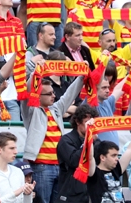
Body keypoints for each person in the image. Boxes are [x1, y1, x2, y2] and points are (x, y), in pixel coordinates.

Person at [21, 71, 86, 203]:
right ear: (38, 96)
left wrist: (82, 76)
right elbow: (27, 92)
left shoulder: (56, 109)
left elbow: (70, 94)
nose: (54, 96)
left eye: (53, 92)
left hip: (60, 166)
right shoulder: (31, 110)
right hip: (41, 167)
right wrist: (35, 74)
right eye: (49, 93)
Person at [90, 130, 131, 203]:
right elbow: (90, 158)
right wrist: (89, 136)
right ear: (102, 157)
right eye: (113, 155)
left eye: (117, 155)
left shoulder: (116, 169)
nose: (117, 159)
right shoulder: (94, 173)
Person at [56, 104, 99, 203]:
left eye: (92, 124)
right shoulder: (66, 140)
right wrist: (88, 141)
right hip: (70, 195)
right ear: (77, 121)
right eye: (87, 123)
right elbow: (74, 161)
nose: (90, 127)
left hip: (90, 192)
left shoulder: (96, 141)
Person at [0, 132, 35, 203]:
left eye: (15, 148)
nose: (16, 152)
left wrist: (27, 194)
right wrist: (15, 193)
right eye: (11, 148)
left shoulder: (18, 172)